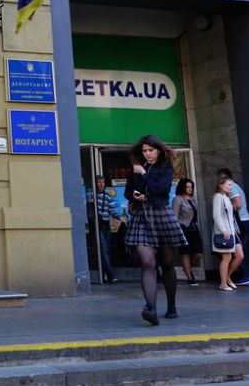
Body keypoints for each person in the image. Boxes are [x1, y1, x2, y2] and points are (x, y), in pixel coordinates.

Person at [124, 134, 187, 326]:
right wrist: (135, 196)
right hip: (142, 215)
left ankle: (171, 305)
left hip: (161, 213)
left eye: (150, 150)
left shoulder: (165, 167)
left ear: (158, 150)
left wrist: (144, 173)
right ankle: (151, 309)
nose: (147, 154)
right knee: (147, 262)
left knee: (167, 262)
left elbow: (161, 189)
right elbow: (127, 191)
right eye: (144, 151)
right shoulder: (136, 168)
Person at [217, 168, 249, 286]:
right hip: (244, 220)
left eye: (221, 177)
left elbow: (238, 204)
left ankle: (246, 275)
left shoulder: (231, 187)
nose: (219, 180)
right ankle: (244, 274)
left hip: (239, 222)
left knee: (237, 250)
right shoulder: (234, 186)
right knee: (240, 249)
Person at [211, 175, 245, 291]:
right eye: (229, 185)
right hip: (224, 232)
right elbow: (216, 215)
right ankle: (223, 283)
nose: (231, 187)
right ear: (221, 185)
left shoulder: (226, 197)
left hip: (232, 231)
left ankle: (227, 278)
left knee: (239, 255)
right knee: (227, 257)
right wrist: (224, 230)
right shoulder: (218, 197)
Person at [86, 175, 118, 284]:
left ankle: (106, 275)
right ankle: (111, 275)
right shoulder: (91, 194)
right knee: (103, 250)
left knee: (106, 251)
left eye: (103, 182)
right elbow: (89, 209)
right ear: (95, 184)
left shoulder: (107, 195)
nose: (101, 184)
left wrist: (120, 218)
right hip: (97, 225)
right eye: (99, 182)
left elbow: (112, 210)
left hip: (105, 225)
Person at [171, 178, 203, 286]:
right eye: (187, 187)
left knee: (198, 254)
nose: (190, 189)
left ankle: (188, 269)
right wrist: (176, 230)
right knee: (186, 253)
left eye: (191, 187)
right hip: (183, 229)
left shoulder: (192, 199)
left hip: (194, 228)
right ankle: (189, 277)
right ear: (182, 188)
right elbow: (174, 216)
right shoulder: (178, 199)